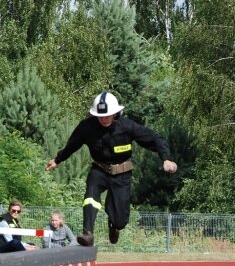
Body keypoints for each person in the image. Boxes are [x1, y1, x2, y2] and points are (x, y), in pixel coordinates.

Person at [45, 92, 177, 246]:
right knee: (90, 195)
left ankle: (114, 224)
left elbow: (154, 138)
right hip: (99, 169)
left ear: (115, 113)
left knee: (120, 221)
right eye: (100, 116)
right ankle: (88, 233)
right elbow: (72, 145)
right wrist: (57, 159)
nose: (104, 119)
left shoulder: (127, 126)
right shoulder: (86, 127)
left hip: (122, 174)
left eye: (108, 116)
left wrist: (166, 158)